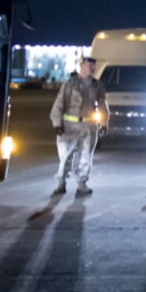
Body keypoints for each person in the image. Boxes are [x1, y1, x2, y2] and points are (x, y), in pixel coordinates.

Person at [49, 56, 109, 195]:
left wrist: (104, 123)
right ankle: (61, 182)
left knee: (86, 155)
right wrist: (57, 123)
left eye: (94, 65)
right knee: (66, 156)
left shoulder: (97, 85)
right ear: (82, 65)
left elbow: (102, 106)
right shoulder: (70, 83)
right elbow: (59, 103)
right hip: (70, 125)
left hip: (88, 125)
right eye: (90, 65)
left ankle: (82, 183)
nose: (92, 68)